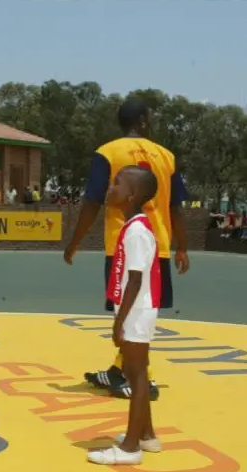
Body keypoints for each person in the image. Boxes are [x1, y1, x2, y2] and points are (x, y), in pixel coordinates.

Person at [64, 98, 189, 401]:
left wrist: (75, 240)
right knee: (137, 310)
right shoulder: (166, 156)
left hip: (123, 244)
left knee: (128, 312)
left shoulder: (107, 152)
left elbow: (93, 201)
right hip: (155, 244)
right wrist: (182, 247)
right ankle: (121, 369)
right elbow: (176, 206)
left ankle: (142, 377)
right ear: (143, 121)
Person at [87, 165, 162, 466]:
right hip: (136, 310)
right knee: (136, 371)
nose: (110, 189)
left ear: (131, 195)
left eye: (116, 184)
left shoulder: (137, 231)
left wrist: (118, 323)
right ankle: (147, 435)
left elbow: (133, 279)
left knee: (137, 374)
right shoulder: (135, 228)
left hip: (136, 312)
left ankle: (131, 448)